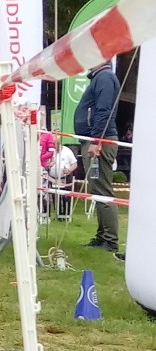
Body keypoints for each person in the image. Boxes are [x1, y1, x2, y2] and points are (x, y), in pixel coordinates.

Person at [74, 61, 121, 257]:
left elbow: (104, 110)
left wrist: (96, 139)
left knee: (102, 190)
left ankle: (110, 239)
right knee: (98, 189)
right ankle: (103, 236)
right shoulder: (101, 78)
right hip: (96, 139)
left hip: (99, 141)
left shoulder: (104, 78)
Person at [46, 137, 77, 221]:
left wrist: (69, 170)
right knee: (55, 196)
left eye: (56, 145)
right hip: (53, 178)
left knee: (66, 197)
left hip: (65, 178)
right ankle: (58, 215)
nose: (55, 148)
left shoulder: (67, 151)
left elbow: (74, 164)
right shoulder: (50, 152)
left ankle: (66, 215)